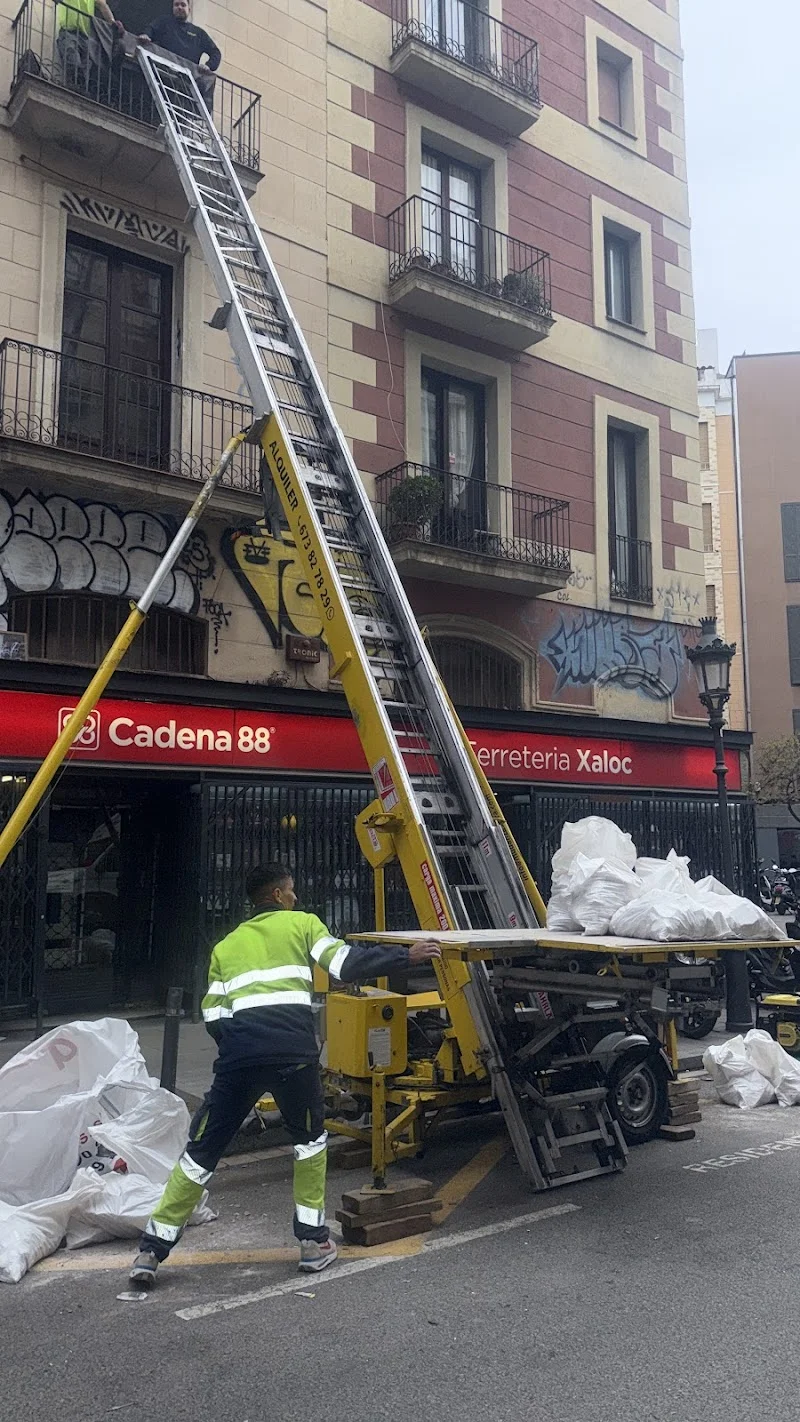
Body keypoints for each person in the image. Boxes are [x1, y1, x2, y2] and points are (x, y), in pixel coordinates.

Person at [128, 863, 441, 1288]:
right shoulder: (302, 924)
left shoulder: (226, 946)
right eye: (291, 890)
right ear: (277, 895)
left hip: (239, 1057)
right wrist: (407, 954)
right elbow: (345, 964)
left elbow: (213, 1015)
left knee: (201, 1151)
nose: (296, 896)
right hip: (293, 1054)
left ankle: (151, 1250)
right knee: (309, 1144)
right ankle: (312, 1245)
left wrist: (242, 1050)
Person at [138, 0, 221, 74]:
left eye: (183, 5)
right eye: (176, 5)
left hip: (186, 80)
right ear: (173, 8)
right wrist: (146, 35)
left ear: (189, 9)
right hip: (162, 72)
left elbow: (216, 53)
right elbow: (150, 29)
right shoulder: (163, 22)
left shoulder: (199, 33)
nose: (179, 7)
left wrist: (208, 66)